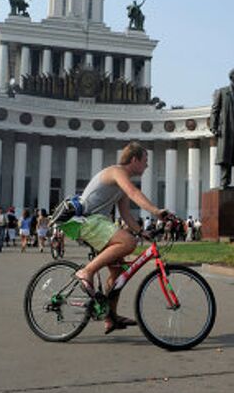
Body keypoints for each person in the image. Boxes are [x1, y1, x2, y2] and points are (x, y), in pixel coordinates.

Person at [70, 141, 169, 334]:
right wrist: (156, 211)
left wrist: (142, 232)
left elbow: (126, 214)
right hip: (87, 221)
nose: (147, 166)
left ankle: (110, 318)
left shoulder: (121, 183)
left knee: (117, 276)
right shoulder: (116, 172)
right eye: (145, 161)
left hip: (97, 224)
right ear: (134, 159)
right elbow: (134, 193)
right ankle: (86, 271)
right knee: (127, 242)